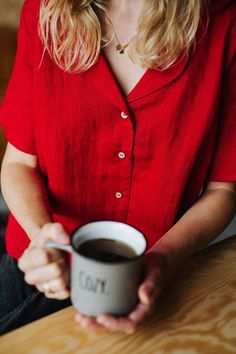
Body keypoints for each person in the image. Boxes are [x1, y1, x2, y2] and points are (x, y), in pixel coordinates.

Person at [0, 0, 235, 335]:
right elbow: (19, 163)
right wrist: (41, 238)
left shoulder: (225, 23)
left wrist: (162, 260)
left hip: (153, 287)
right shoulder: (42, 11)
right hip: (40, 273)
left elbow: (223, 190)